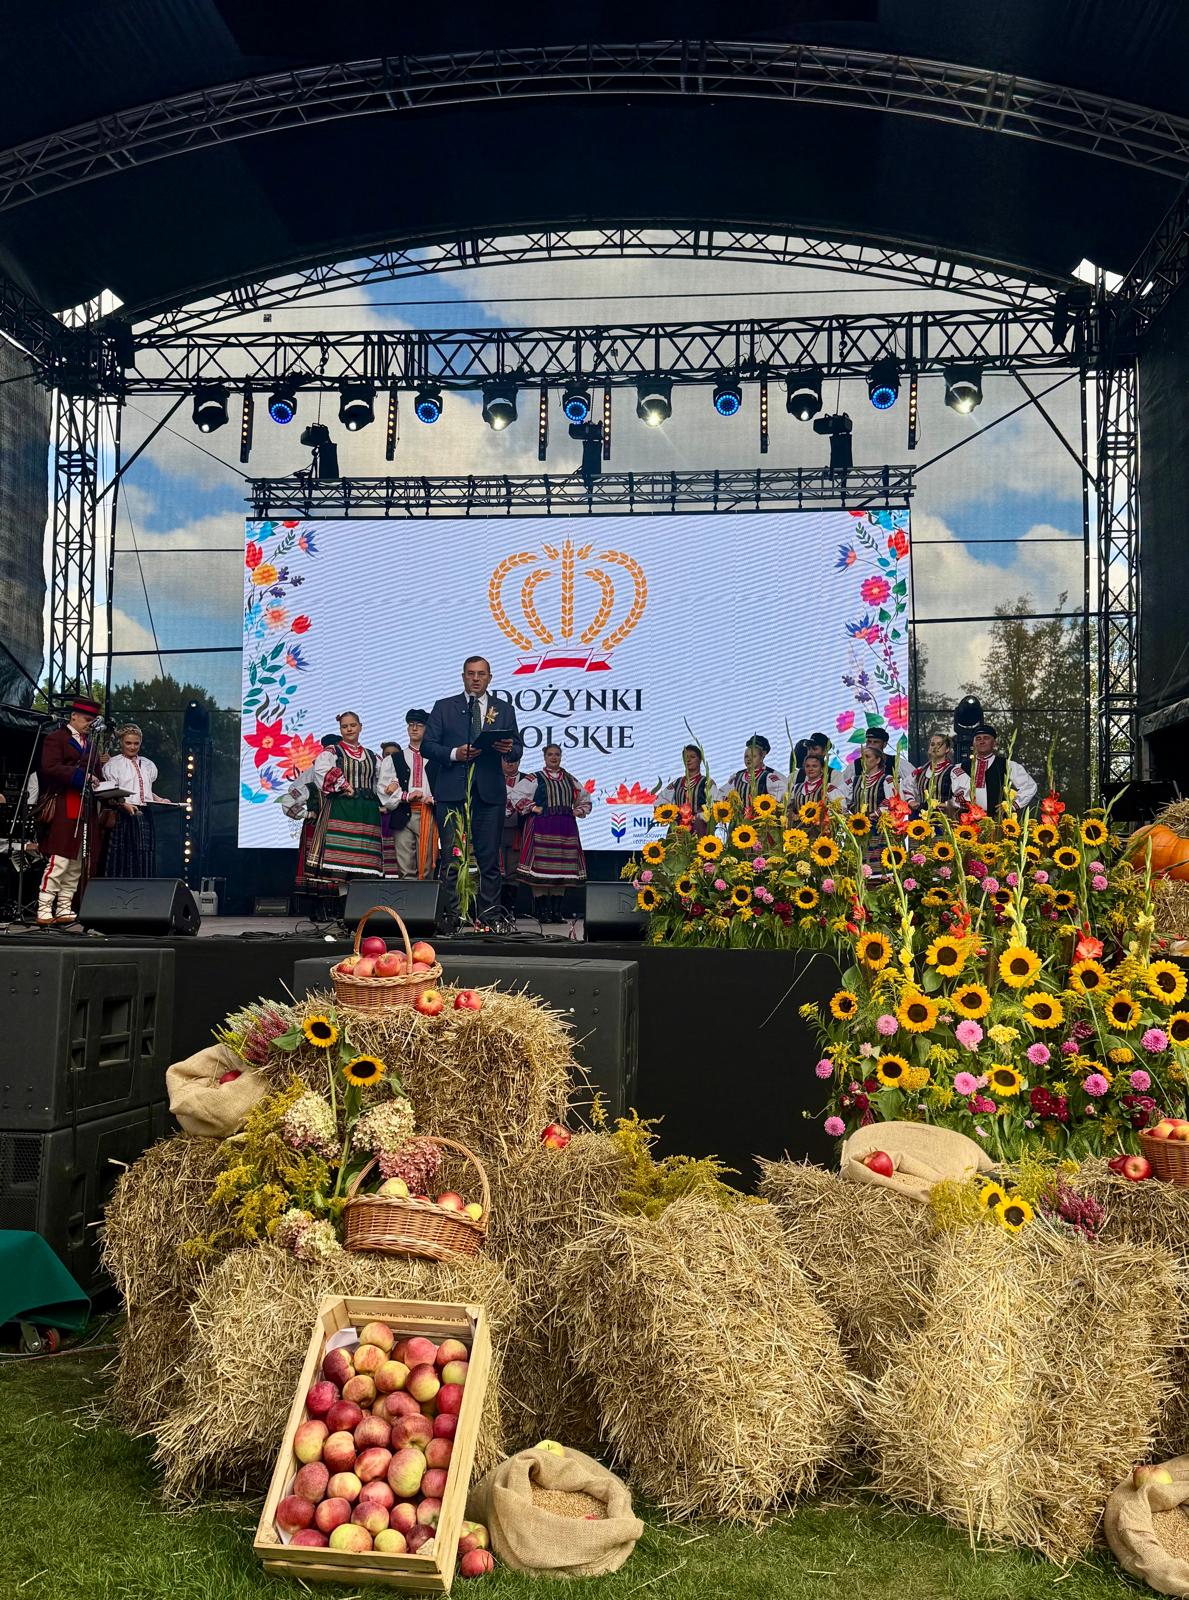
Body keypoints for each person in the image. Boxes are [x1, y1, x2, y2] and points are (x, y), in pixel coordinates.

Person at [424, 656, 523, 928]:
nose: (476, 678)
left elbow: (517, 747)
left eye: (481, 674)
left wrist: (508, 750)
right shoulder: (444, 707)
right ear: (463, 676)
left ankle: (489, 917)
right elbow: (428, 746)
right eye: (471, 673)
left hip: (489, 793)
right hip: (452, 792)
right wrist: (454, 753)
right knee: (452, 859)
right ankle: (454, 916)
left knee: (489, 859)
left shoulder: (504, 709)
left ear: (490, 677)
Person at [35, 697, 108, 926]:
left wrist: (101, 783)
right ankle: (44, 906)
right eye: (86, 719)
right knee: (60, 858)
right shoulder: (56, 738)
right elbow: (49, 767)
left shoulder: (91, 744)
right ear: (73, 716)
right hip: (64, 802)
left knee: (77, 861)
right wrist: (81, 776)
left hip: (85, 806)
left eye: (92, 720)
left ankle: (64, 906)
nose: (89, 724)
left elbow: (97, 774)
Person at [517, 743, 593, 923]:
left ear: (560, 757)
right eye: (550, 754)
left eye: (557, 754)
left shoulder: (570, 779)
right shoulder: (534, 778)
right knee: (539, 870)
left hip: (565, 830)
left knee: (561, 870)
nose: (553, 757)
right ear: (545, 757)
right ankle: (542, 911)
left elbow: (585, 799)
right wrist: (533, 807)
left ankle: (556, 911)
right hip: (541, 828)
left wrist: (577, 811)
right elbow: (516, 795)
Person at [306, 711, 384, 884]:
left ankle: (360, 899)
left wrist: (387, 799)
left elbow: (383, 780)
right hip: (341, 808)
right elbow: (321, 769)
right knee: (340, 863)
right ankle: (342, 899)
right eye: (344, 726)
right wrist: (343, 784)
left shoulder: (372, 756)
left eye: (353, 725)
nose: (349, 729)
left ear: (360, 727)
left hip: (367, 813)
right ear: (340, 730)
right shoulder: (333, 751)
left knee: (365, 864)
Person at [102, 723, 174, 876]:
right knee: (123, 853)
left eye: (136, 743)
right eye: (128, 743)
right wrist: (124, 804)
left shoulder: (147, 764)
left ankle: (142, 885)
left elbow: (146, 790)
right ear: (121, 742)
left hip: (144, 812)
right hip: (123, 813)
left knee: (144, 851)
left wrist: (160, 799)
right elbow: (110, 791)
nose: (132, 747)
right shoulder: (114, 764)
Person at [380, 710, 439, 880]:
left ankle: (426, 896)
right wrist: (405, 796)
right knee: (405, 867)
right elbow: (383, 788)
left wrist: (434, 798)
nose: (414, 728)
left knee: (427, 866)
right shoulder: (394, 759)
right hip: (402, 813)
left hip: (427, 813)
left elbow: (445, 785)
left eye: (419, 725)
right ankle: (408, 895)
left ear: (427, 729)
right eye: (411, 725)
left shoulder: (436, 757)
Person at [952, 723, 1038, 813]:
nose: (982, 741)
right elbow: (952, 794)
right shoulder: (961, 767)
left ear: (994, 743)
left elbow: (1030, 786)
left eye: (986, 738)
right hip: (967, 819)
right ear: (973, 744)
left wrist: (1012, 805)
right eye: (978, 739)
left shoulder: (1007, 765)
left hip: (997, 818)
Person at [499, 753, 537, 918]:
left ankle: (509, 911)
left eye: (514, 761)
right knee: (496, 870)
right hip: (495, 832)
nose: (510, 764)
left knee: (513, 873)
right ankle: (496, 911)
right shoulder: (492, 778)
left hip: (517, 832)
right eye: (507, 761)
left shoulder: (527, 780)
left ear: (519, 762)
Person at [659, 744, 715, 833]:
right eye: (686, 758)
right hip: (678, 828)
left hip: (699, 828)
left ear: (700, 760)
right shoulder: (676, 783)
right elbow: (661, 801)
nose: (688, 760)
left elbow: (714, 805)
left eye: (692, 757)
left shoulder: (707, 782)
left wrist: (700, 816)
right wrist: (670, 814)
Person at [724, 735, 786, 809]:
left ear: (763, 754)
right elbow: (724, 794)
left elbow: (784, 795)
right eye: (746, 756)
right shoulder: (738, 776)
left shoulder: (772, 775)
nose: (749, 759)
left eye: (753, 755)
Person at [902, 731, 958, 812]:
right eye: (932, 744)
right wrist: (911, 801)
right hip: (922, 817)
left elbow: (964, 796)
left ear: (947, 749)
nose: (935, 747)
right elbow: (906, 786)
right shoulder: (920, 771)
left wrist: (943, 804)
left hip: (946, 818)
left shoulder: (953, 771)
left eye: (939, 744)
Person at [376, 739, 409, 878]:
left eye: (394, 754)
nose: (390, 757)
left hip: (398, 817)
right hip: (380, 820)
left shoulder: (405, 772)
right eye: (387, 754)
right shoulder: (377, 774)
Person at [846, 727, 897, 816]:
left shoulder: (892, 768)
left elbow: (893, 799)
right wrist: (851, 810)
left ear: (884, 744)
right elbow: (840, 794)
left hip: (881, 822)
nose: (871, 745)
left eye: (876, 742)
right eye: (869, 741)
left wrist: (876, 814)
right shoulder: (854, 775)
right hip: (857, 822)